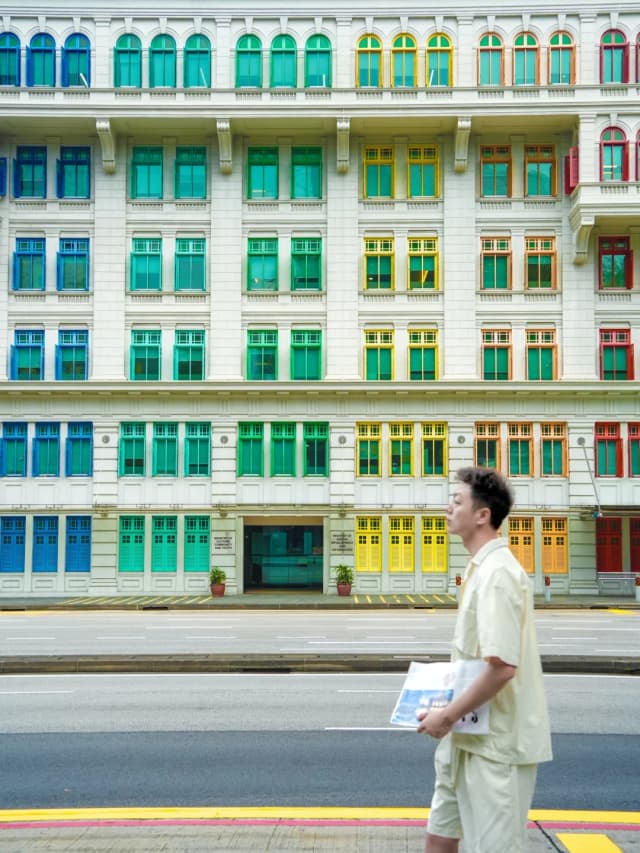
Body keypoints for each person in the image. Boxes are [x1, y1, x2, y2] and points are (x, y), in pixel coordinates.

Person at [417, 466, 552, 853]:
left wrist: (446, 716)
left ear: (482, 515)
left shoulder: (497, 574)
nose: (448, 508)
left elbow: (502, 667)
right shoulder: (479, 568)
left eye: (457, 501)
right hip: (467, 737)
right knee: (439, 838)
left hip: (496, 747)